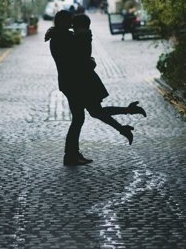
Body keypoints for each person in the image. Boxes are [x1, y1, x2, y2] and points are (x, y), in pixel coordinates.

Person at [45, 10, 146, 167]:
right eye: (69, 22)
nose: (72, 25)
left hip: (73, 82)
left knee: (86, 115)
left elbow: (79, 55)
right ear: (63, 22)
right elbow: (76, 58)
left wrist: (86, 57)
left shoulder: (61, 36)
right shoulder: (63, 37)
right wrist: (89, 61)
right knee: (86, 116)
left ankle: (72, 154)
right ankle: (71, 155)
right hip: (75, 83)